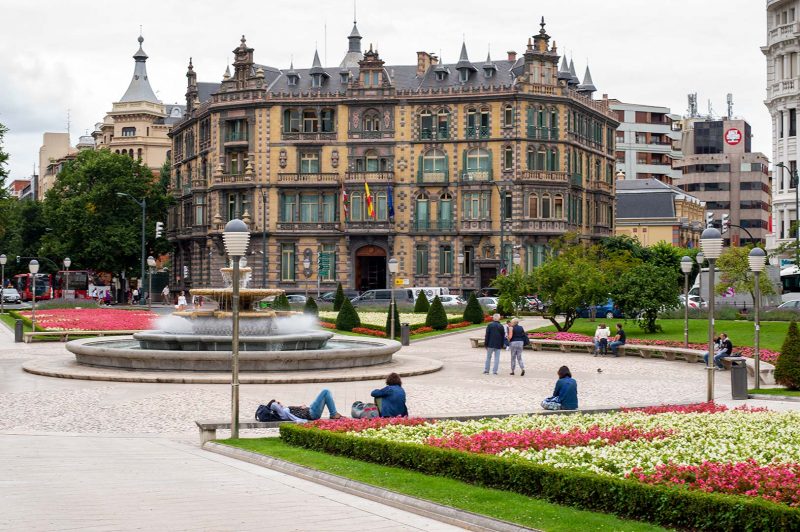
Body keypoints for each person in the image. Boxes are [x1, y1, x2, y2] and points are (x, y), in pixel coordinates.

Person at [267, 389, 343, 422]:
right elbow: (273, 405)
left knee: (326, 392)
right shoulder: (283, 413)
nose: (280, 403)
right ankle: (333, 414)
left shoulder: (284, 410)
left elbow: (294, 411)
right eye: (278, 403)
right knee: (325, 391)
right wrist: (273, 403)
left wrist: (300, 407)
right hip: (311, 414)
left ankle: (333, 413)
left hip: (310, 410)